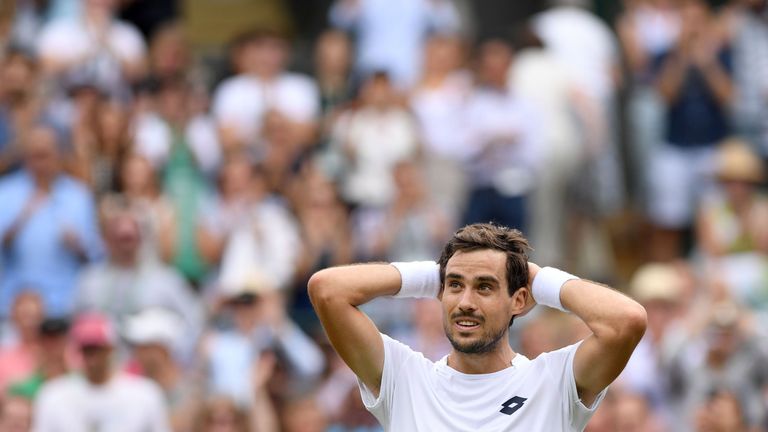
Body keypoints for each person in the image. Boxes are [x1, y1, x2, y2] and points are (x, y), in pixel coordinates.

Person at [308, 223, 647, 431]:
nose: (465, 302)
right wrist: (435, 276)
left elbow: (626, 322)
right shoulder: (405, 378)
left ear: (518, 300)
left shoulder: (554, 381)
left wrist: (541, 281)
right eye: (455, 286)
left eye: (484, 287)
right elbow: (327, 290)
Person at [32, 313, 170, 431]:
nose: (92, 358)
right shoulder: (53, 395)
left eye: (98, 349)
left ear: (111, 349)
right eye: (86, 350)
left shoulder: (145, 394)